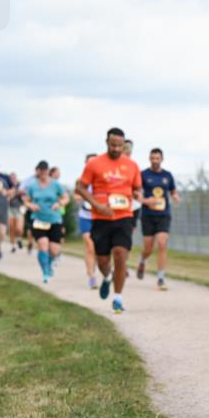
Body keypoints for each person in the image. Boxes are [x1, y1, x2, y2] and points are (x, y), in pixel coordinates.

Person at [76, 127, 143, 314]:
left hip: (124, 216)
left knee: (121, 254)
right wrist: (97, 205)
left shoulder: (132, 166)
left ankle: (118, 297)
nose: (116, 149)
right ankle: (108, 277)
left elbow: (137, 188)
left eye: (120, 146)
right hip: (101, 217)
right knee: (103, 260)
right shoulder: (94, 164)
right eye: (113, 145)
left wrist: (138, 194)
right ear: (107, 143)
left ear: (124, 145)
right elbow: (80, 188)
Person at [137, 148, 181, 290]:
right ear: (149, 159)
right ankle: (143, 260)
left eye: (157, 158)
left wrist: (175, 196)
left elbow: (173, 191)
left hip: (163, 215)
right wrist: (145, 201)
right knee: (148, 247)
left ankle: (161, 278)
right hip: (148, 215)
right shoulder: (143, 175)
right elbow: (136, 194)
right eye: (153, 158)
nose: (155, 161)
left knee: (162, 244)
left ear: (162, 159)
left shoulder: (167, 175)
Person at [23, 160, 70, 283]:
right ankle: (45, 271)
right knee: (43, 244)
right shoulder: (33, 186)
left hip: (54, 219)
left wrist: (59, 203)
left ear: (48, 171)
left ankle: (49, 264)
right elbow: (26, 200)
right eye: (41, 170)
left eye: (45, 170)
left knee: (54, 249)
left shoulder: (56, 185)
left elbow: (66, 197)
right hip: (38, 219)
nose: (43, 173)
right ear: (38, 171)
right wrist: (31, 206)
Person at [75, 154, 99, 289]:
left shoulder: (102, 179)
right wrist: (81, 197)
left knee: (100, 248)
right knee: (90, 246)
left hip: (99, 218)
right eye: (89, 163)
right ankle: (91, 276)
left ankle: (101, 270)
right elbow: (76, 195)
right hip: (85, 216)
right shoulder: (81, 180)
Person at [7, 172, 25, 252]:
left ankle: (19, 239)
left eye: (14, 178)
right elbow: (7, 198)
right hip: (10, 208)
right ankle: (12, 245)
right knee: (12, 228)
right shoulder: (7, 187)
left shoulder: (21, 186)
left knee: (19, 228)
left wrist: (19, 193)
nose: (13, 179)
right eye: (11, 178)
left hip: (19, 209)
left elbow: (25, 196)